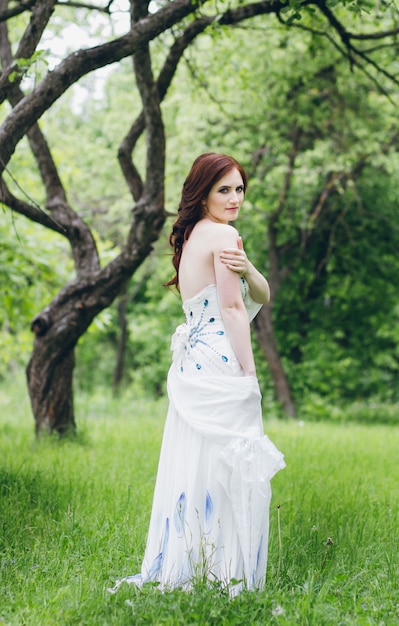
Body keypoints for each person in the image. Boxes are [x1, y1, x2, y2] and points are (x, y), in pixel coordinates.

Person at [109, 153, 285, 596]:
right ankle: (224, 570)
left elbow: (259, 292)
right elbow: (231, 309)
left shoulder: (194, 236)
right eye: (224, 189)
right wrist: (248, 374)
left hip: (193, 360)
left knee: (200, 460)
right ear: (203, 192)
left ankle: (190, 559)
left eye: (239, 188)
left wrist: (248, 268)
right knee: (228, 460)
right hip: (220, 359)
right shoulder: (223, 234)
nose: (234, 198)